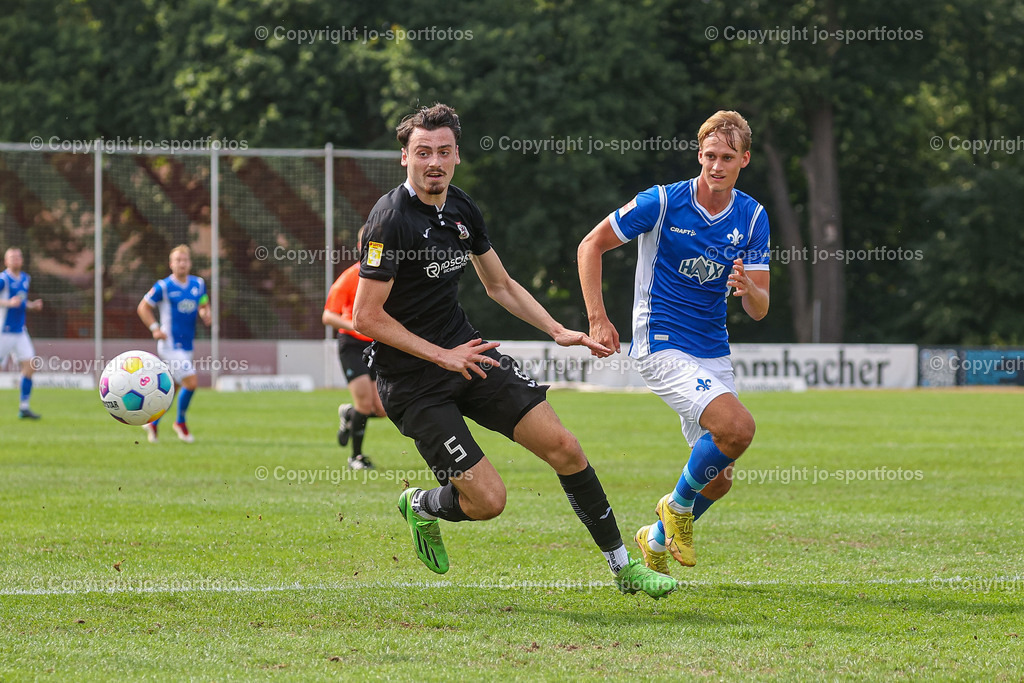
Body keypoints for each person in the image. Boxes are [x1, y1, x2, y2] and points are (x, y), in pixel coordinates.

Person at [352, 103, 676, 599]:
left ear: (457, 155)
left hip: (470, 356)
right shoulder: (388, 221)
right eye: (422, 153)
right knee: (488, 501)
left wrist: (557, 330)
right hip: (414, 383)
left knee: (565, 448)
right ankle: (421, 505)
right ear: (405, 158)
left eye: (443, 152)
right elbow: (366, 318)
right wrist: (442, 356)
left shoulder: (461, 208)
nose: (433, 162)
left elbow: (499, 285)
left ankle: (623, 568)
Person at [577, 110, 770, 575]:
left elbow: (760, 309)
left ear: (744, 159)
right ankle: (677, 507)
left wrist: (750, 289)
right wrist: (598, 318)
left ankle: (656, 535)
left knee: (719, 479)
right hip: (659, 341)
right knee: (739, 428)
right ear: (698, 155)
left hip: (712, 347)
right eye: (709, 156)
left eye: (727, 157)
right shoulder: (662, 202)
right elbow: (591, 245)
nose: (716, 166)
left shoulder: (753, 216)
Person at [323, 227, 386, 470]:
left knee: (380, 409)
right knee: (364, 403)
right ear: (361, 247)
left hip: (375, 345)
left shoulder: (386, 275)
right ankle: (355, 458)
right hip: (352, 344)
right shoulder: (350, 277)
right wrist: (355, 325)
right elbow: (328, 316)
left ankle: (349, 415)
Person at [137, 245, 211, 443]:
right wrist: (154, 327)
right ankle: (180, 422)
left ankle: (153, 422)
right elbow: (143, 307)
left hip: (187, 346)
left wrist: (205, 313)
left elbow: (203, 303)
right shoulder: (164, 286)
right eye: (178, 260)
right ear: (171, 264)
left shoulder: (198, 284)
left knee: (173, 389)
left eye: (185, 260)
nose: (182, 263)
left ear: (190, 263)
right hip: (170, 345)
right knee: (192, 382)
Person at [0, 248, 43, 419]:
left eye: (18, 256)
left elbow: (21, 301)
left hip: (20, 331)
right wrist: (8, 303)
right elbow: (11, 302)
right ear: (6, 261)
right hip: (3, 331)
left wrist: (32, 305)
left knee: (30, 365)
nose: (16, 259)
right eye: (12, 257)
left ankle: (24, 407)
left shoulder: (26, 278)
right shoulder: (3, 279)